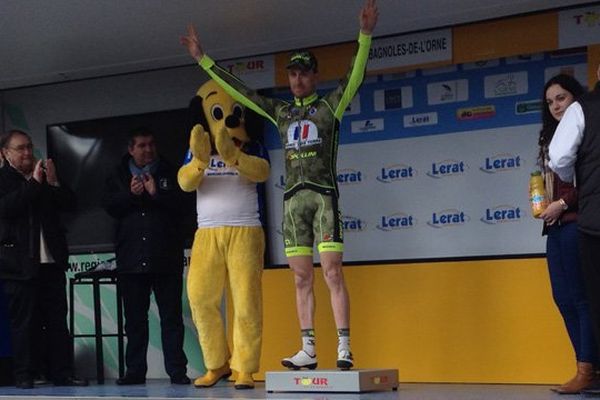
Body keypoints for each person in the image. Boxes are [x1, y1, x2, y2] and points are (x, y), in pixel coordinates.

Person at [181, 0, 378, 370]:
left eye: (304, 73)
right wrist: (204, 60)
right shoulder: (281, 111)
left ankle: (344, 346)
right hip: (292, 203)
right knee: (301, 277)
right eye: (292, 74)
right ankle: (308, 349)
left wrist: (364, 35)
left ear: (315, 76)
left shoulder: (330, 106)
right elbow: (242, 93)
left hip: (322, 198)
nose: (297, 79)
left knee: (332, 271)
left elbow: (354, 76)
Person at [0, 130, 88, 389]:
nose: (28, 153)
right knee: (24, 325)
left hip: (51, 262)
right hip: (18, 265)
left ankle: (63, 373)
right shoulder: (4, 180)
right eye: (20, 148)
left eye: (29, 147)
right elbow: (6, 208)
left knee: (57, 322)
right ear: (5, 153)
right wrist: (34, 185)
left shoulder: (44, 176)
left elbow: (70, 204)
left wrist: (54, 183)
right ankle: (24, 375)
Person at [104, 128, 190, 385]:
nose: (148, 149)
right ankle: (135, 372)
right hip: (131, 260)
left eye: (151, 144)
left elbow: (184, 206)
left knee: (171, 319)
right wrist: (131, 195)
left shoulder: (171, 171)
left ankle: (177, 371)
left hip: (165, 258)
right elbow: (109, 206)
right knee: (135, 322)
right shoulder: (117, 174)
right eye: (141, 145)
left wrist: (156, 194)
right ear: (131, 149)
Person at [537, 74, 598, 394]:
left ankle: (587, 368)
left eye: (561, 98)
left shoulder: (587, 126)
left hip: (577, 222)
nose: (556, 106)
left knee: (582, 298)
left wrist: (561, 203)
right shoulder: (548, 135)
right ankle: (585, 364)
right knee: (563, 298)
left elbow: (586, 182)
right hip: (554, 228)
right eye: (550, 102)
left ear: (575, 98)